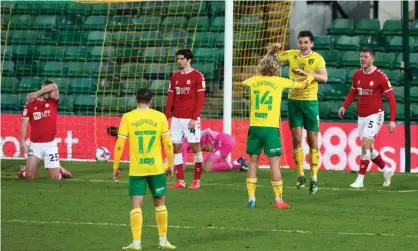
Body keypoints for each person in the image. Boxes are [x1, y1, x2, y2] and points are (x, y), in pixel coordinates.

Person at [242, 55, 314, 209]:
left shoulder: (253, 80)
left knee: (253, 162)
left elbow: (244, 82)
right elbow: (302, 86)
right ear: (276, 68)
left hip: (254, 126)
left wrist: (259, 73)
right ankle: (279, 200)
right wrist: (308, 78)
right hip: (270, 128)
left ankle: (251, 199)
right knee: (274, 163)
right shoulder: (280, 81)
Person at [112, 88, 176, 250]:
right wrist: (170, 164)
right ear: (151, 100)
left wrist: (116, 165)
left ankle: (136, 243)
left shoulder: (128, 117)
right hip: (155, 167)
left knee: (136, 205)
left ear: (136, 99)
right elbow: (168, 143)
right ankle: (163, 241)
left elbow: (120, 145)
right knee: (160, 203)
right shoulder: (160, 117)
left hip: (137, 169)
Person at [268, 30, 328, 194]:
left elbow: (324, 77)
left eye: (306, 42)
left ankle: (314, 178)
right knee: (296, 138)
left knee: (312, 138)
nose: (302, 45)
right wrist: (273, 50)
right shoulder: (291, 55)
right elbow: (270, 62)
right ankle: (300, 174)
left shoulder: (317, 59)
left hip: (310, 102)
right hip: (294, 101)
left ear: (312, 44)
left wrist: (307, 73)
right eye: (300, 42)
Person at [338, 48, 396, 188]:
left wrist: (392, 120)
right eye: (361, 57)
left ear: (372, 59)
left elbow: (392, 99)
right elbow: (353, 93)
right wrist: (344, 106)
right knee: (369, 148)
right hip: (362, 116)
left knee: (364, 144)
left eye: (365, 57)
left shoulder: (380, 76)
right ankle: (386, 170)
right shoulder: (357, 75)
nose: (362, 59)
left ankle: (360, 179)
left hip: (375, 115)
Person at [165, 49, 206, 190]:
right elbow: (171, 98)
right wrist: (166, 116)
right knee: (176, 147)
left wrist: (195, 118)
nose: (179, 61)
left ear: (189, 60)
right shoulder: (175, 77)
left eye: (182, 58)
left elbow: (200, 99)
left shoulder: (198, 76)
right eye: (178, 58)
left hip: (190, 119)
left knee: (195, 148)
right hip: (176, 118)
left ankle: (196, 181)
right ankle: (180, 181)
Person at [18, 80, 72, 180]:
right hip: (35, 144)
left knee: (54, 178)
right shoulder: (30, 105)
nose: (51, 93)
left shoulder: (53, 102)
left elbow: (54, 86)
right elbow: (24, 125)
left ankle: (59, 170)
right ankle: (23, 171)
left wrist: (37, 93)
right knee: (30, 177)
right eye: (47, 91)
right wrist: (21, 141)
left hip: (50, 145)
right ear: (43, 90)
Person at [181, 128, 249, 172]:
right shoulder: (184, 140)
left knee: (207, 168)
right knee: (208, 166)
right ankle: (234, 164)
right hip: (221, 142)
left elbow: (181, 168)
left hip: (225, 141)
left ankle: (238, 163)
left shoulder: (184, 143)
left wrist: (209, 142)